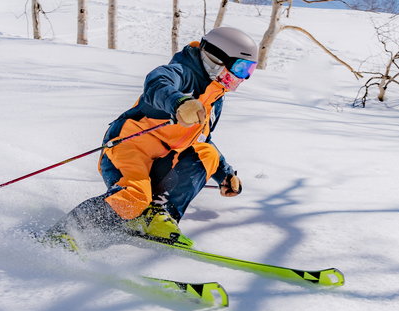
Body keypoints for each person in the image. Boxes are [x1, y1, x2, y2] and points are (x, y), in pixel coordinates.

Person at [45, 26, 258, 250]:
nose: (243, 77)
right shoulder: (182, 72)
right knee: (134, 198)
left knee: (207, 154)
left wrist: (225, 174)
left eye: (250, 71)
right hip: (129, 146)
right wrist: (179, 102)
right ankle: (64, 233)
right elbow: (157, 84)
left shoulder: (215, 98)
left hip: (165, 160)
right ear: (216, 58)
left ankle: (155, 216)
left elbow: (202, 138)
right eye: (241, 67)